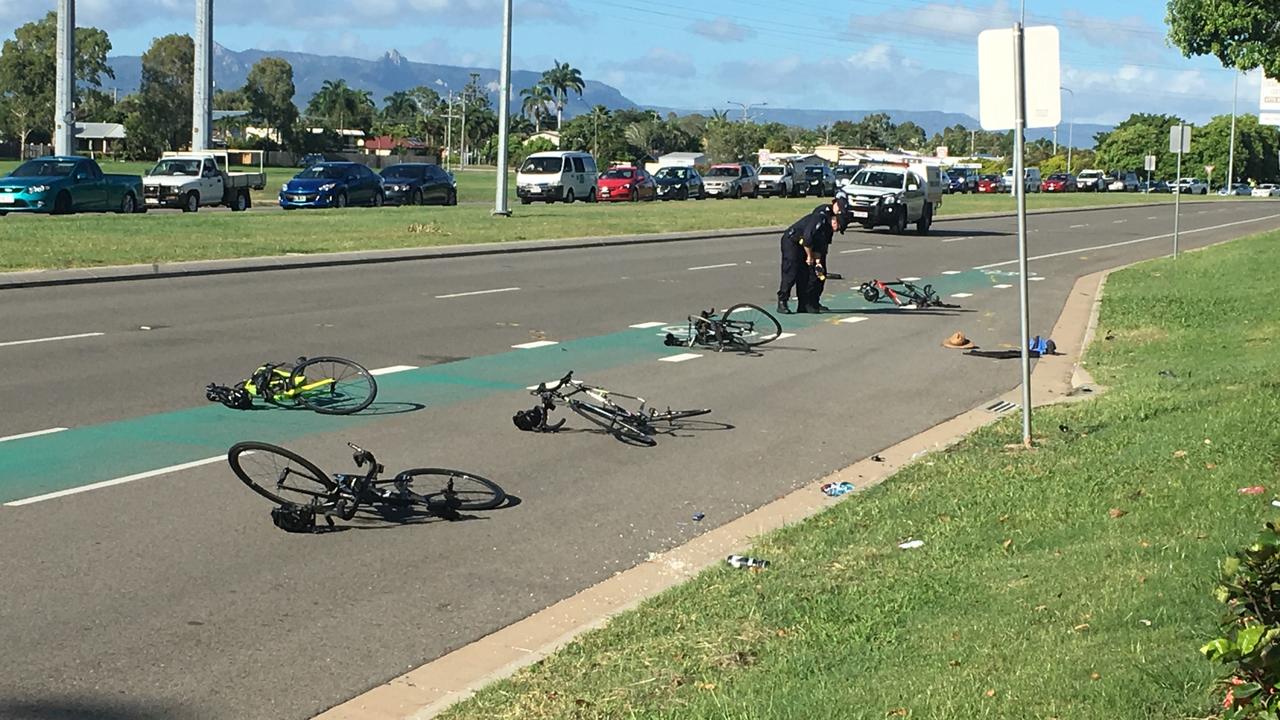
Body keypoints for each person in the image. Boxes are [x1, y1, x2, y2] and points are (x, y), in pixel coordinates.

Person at [777, 196, 849, 314]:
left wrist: (818, 262)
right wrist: (810, 257)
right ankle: (782, 301)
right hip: (793, 241)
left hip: (806, 245)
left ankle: (804, 304)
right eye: (838, 227)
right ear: (834, 221)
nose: (836, 230)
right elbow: (807, 239)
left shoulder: (828, 228)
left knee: (807, 274)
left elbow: (820, 246)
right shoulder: (820, 218)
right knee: (791, 271)